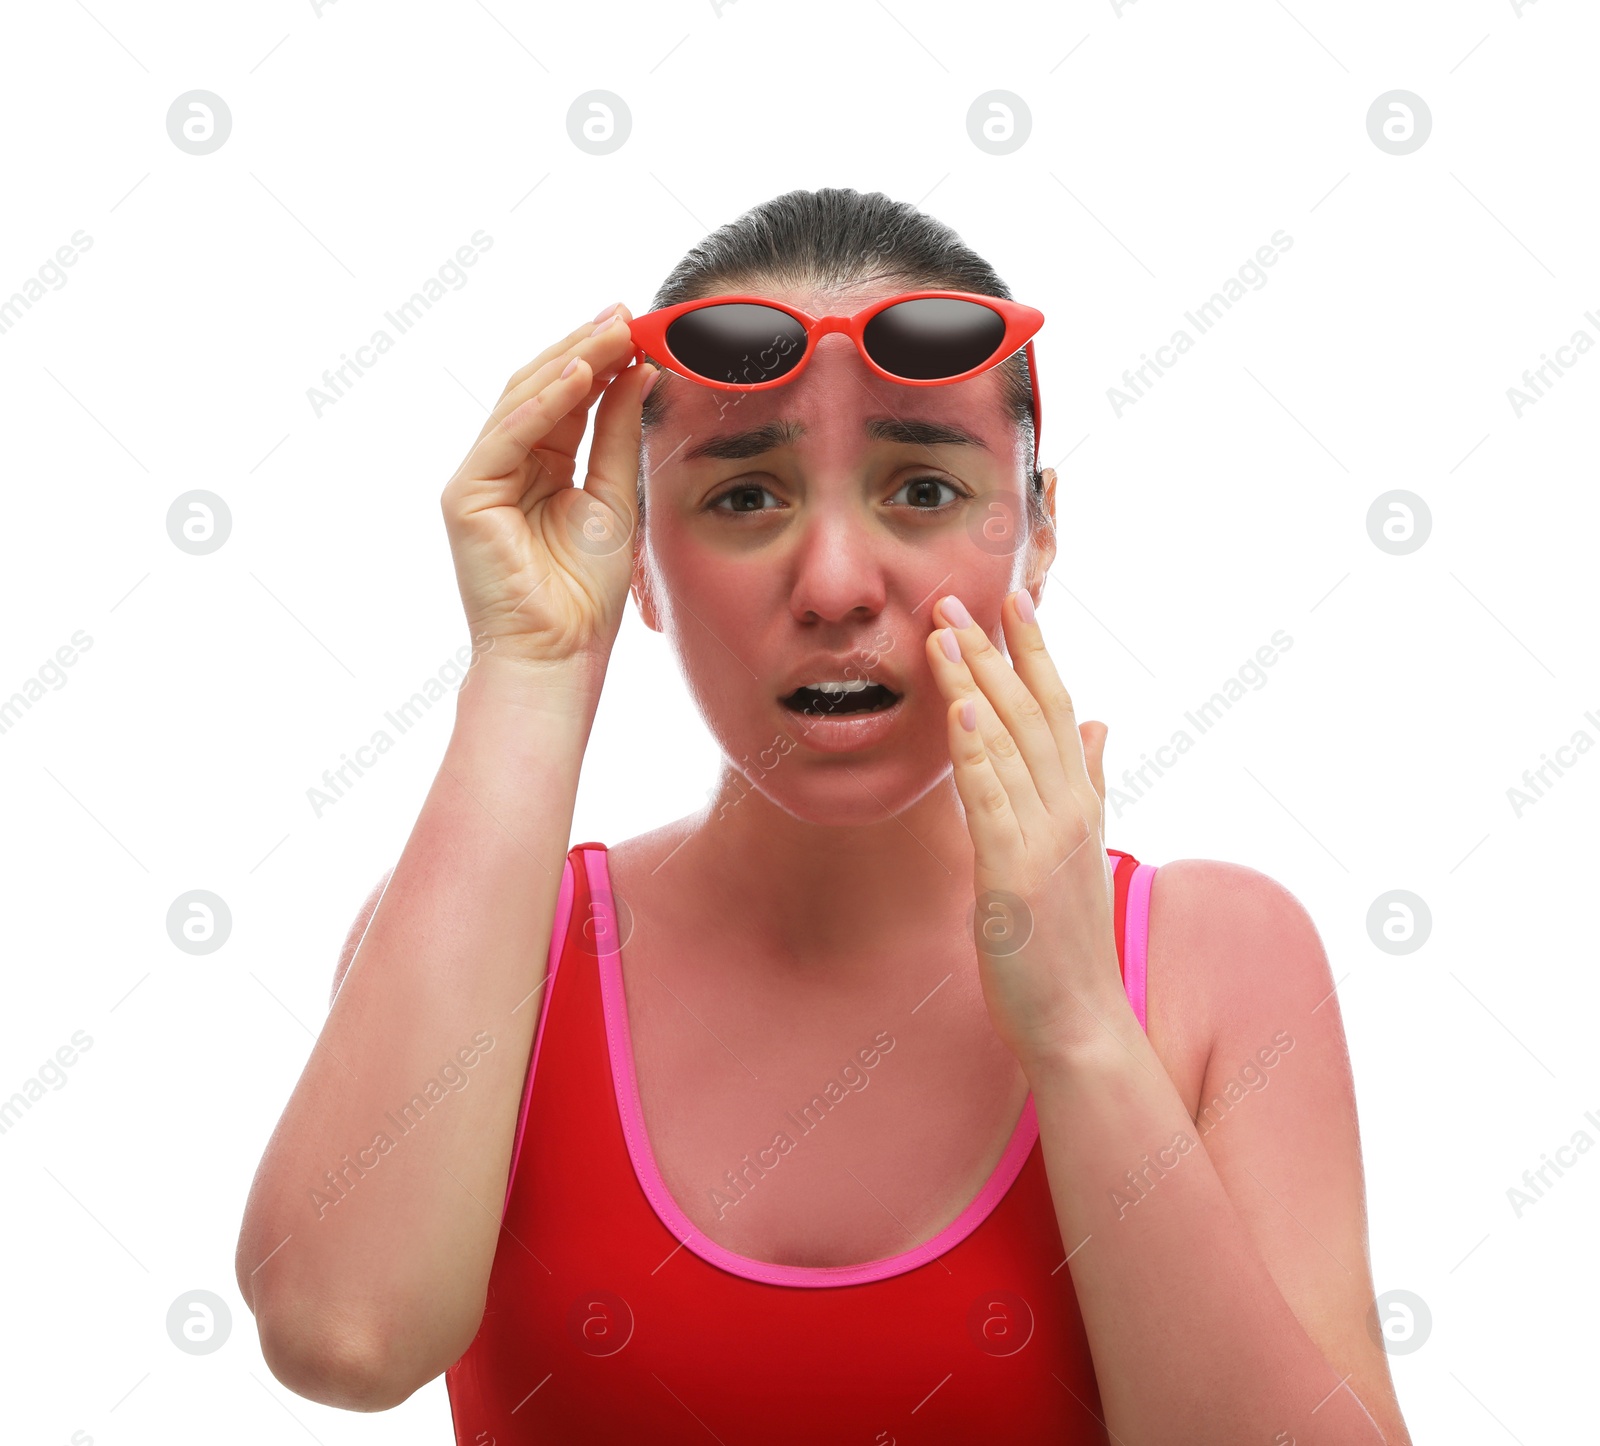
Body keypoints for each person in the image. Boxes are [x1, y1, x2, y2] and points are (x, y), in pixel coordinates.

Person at [235, 187, 1412, 1444]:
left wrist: (1077, 1027)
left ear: (1040, 532)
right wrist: (530, 668)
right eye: (745, 496)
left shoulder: (1213, 960)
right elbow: (343, 1339)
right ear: (638, 554)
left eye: (921, 489)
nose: (839, 585)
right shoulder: (488, 949)